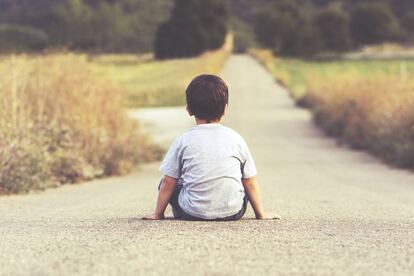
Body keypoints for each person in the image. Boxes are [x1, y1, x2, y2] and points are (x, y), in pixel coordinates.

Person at [142, 74, 279, 221]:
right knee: (242, 181)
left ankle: (182, 210)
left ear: (188, 110)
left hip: (192, 212)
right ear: (225, 109)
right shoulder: (236, 139)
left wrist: (157, 214)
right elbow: (250, 182)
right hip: (233, 212)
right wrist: (261, 214)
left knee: (170, 182)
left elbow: (169, 181)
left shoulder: (183, 140)